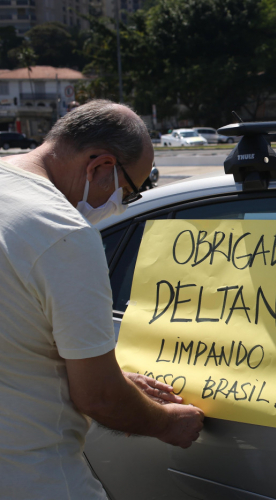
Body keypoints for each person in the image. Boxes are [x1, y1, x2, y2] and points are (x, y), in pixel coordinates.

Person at [0, 100, 205, 499]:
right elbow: (99, 397)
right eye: (128, 192)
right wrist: (166, 422)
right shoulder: (64, 233)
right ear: (100, 166)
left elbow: (17, 330)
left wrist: (106, 374)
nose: (121, 205)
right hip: (33, 478)